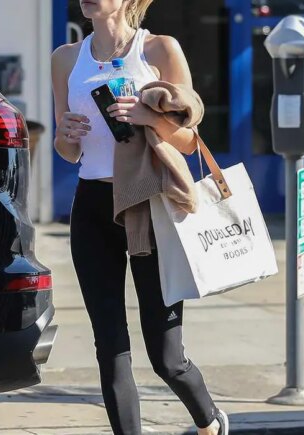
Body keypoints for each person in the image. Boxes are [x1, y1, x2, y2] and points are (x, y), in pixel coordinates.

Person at [51, 1, 229, 434]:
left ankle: (210, 421)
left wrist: (148, 116)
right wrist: (66, 134)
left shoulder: (159, 50)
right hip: (92, 206)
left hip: (150, 204)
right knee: (110, 347)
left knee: (166, 355)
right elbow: (67, 149)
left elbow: (189, 140)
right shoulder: (65, 58)